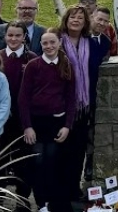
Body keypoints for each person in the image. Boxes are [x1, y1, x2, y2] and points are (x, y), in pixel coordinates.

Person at [21, 29, 77, 212]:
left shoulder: (66, 65)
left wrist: (67, 126)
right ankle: (41, 202)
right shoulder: (33, 66)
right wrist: (27, 126)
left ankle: (56, 203)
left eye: (52, 42)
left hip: (57, 124)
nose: (49, 46)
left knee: (54, 163)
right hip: (37, 123)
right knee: (38, 162)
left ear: (59, 43)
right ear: (41, 45)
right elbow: (23, 99)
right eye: (45, 43)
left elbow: (71, 99)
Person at [57, 5, 110, 192]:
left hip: (84, 106)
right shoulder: (57, 41)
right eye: (72, 17)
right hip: (61, 104)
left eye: (80, 17)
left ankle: (73, 188)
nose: (76, 20)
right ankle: (59, 191)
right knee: (62, 150)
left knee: (78, 150)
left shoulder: (92, 42)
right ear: (66, 19)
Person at [0, 21, 39, 208]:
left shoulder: (32, 59)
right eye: (10, 35)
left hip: (24, 120)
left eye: (17, 35)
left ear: (24, 37)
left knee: (24, 162)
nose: (13, 39)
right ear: (5, 37)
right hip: (0, 120)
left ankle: (22, 201)